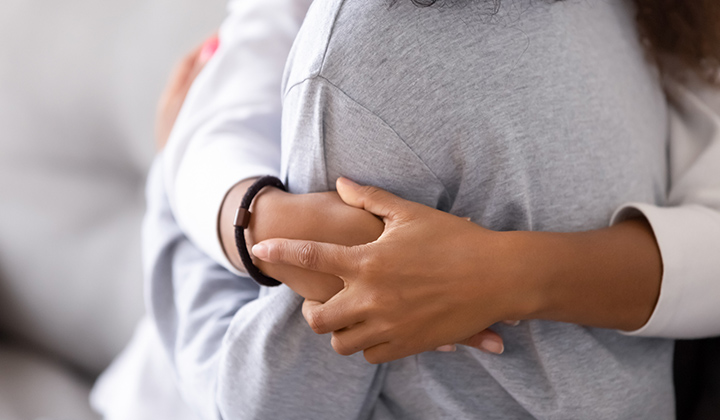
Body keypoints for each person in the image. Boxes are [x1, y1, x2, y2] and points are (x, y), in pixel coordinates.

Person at [154, 0, 720, 418]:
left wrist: (507, 272)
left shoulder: (367, 59)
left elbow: (269, 404)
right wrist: (255, 219)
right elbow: (228, 97)